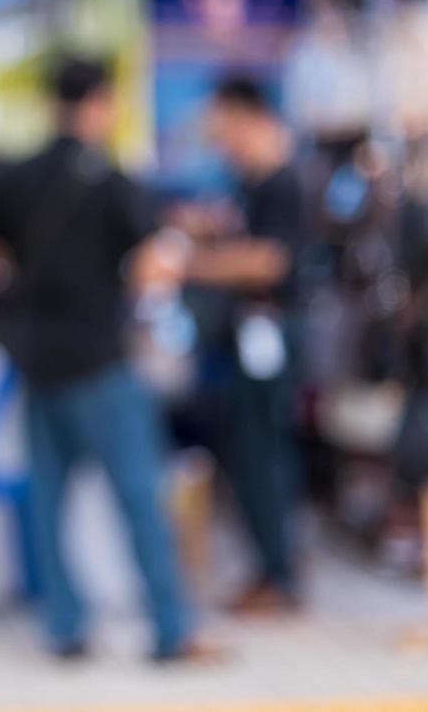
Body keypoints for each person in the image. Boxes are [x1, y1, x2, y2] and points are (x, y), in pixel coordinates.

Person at [0, 57, 209, 663]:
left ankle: (64, 626)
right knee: (138, 496)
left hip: (37, 360)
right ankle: (170, 627)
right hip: (98, 359)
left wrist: (4, 267)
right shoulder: (110, 180)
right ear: (101, 102)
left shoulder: (17, 175)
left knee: (47, 502)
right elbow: (150, 267)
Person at [182, 76, 306, 616]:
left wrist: (189, 265)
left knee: (264, 456)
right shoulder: (247, 183)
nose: (216, 136)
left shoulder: (284, 182)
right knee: (248, 453)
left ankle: (279, 575)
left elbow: (270, 261)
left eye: (221, 122)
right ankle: (270, 568)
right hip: (246, 340)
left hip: (271, 336)